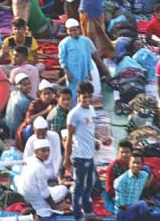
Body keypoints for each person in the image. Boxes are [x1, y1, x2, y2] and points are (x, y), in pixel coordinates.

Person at [64, 81, 99, 221]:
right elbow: (69, 137)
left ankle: (88, 212)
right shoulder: (74, 114)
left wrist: (96, 141)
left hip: (90, 155)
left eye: (90, 96)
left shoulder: (91, 110)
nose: (87, 100)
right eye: (84, 97)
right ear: (78, 96)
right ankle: (78, 216)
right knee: (79, 187)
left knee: (89, 185)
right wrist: (67, 159)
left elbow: (90, 128)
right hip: (79, 156)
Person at [18, 138, 69, 220]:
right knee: (63, 189)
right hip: (38, 200)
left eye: (48, 150)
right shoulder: (39, 167)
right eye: (43, 151)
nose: (47, 153)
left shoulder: (29, 160)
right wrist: (54, 206)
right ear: (36, 152)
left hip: (27, 196)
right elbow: (44, 193)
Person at [58, 18, 98, 102]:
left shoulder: (85, 41)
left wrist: (89, 71)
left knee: (84, 90)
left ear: (79, 29)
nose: (73, 32)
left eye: (75, 30)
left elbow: (88, 57)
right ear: (67, 31)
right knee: (73, 91)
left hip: (84, 70)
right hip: (72, 72)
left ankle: (83, 104)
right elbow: (62, 59)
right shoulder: (64, 43)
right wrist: (67, 73)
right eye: (71, 30)